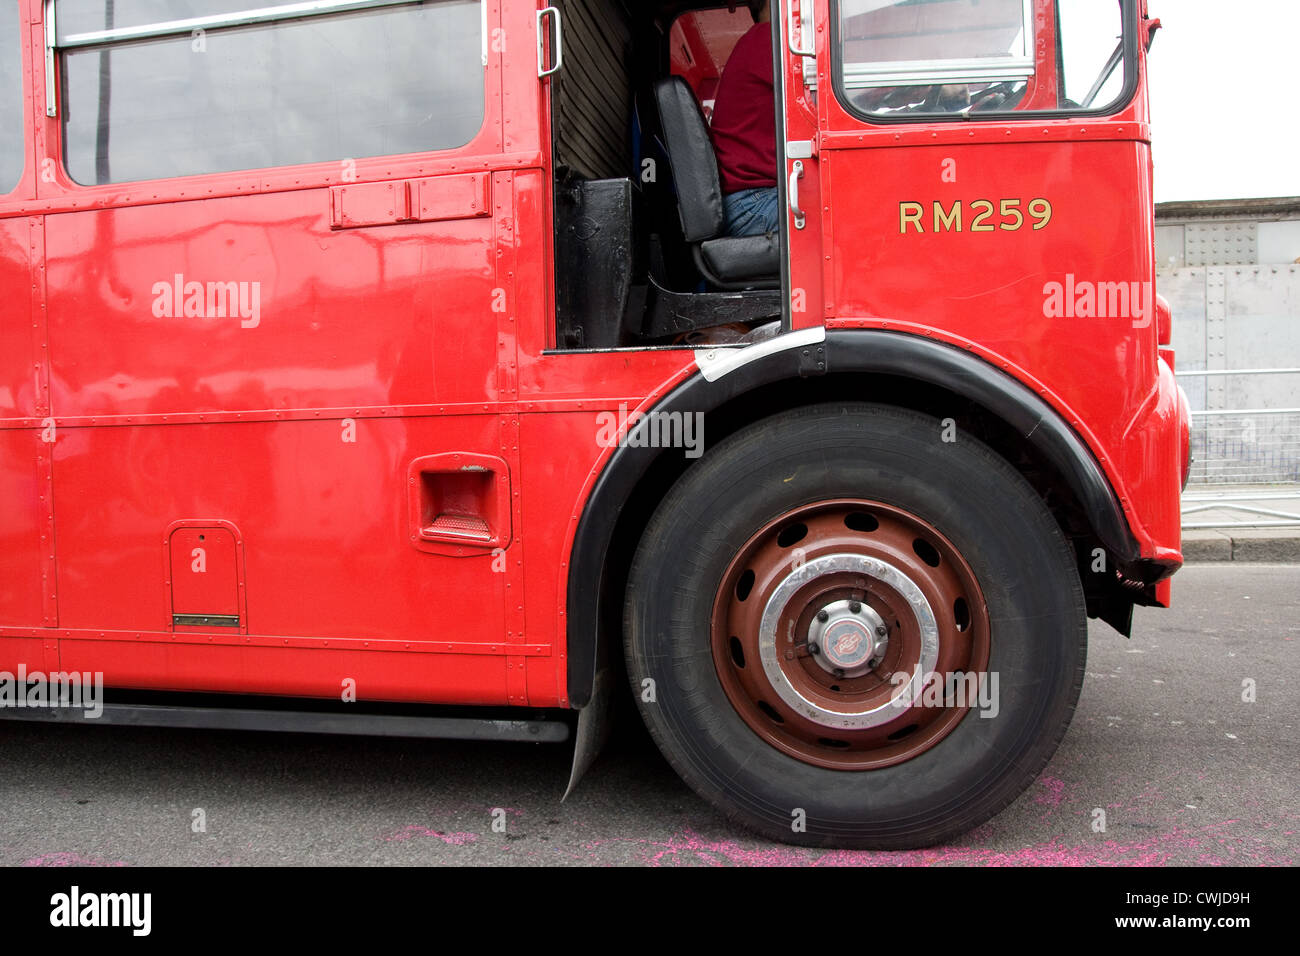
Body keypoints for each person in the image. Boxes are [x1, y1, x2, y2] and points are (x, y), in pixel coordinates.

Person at [709, 1, 778, 237]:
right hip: (753, 204)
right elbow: (823, 99)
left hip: (752, 200)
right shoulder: (768, 39)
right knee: (854, 212)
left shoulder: (758, 41)